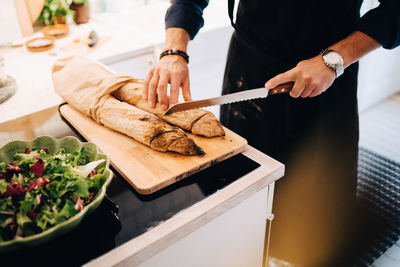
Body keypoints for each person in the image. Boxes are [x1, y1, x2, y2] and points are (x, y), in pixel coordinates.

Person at [143, 0, 400, 265]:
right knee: (239, 194)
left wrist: (333, 59)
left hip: (326, 76)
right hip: (249, 65)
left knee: (317, 216)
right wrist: (174, 49)